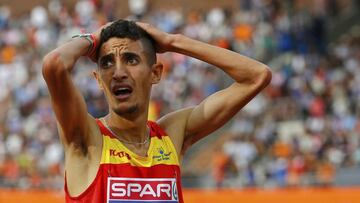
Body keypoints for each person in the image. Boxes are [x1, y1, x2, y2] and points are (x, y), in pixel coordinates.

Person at [42, 19, 271, 203]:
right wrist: (91, 39)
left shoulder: (171, 135)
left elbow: (257, 76)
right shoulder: (87, 139)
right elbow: (54, 65)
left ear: (156, 73)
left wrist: (173, 41)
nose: (118, 72)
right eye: (107, 63)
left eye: (131, 59)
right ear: (99, 80)